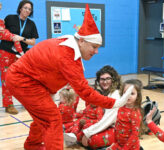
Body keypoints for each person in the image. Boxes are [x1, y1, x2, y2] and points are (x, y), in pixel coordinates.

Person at [5, 4, 133, 150]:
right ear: (82, 41)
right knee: (52, 119)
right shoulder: (68, 56)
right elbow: (85, 92)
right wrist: (114, 103)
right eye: (94, 47)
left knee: (43, 116)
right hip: (23, 81)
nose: (97, 51)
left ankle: (32, 145)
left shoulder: (67, 45)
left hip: (31, 80)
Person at [65, 65, 122, 149]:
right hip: (104, 125)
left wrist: (87, 133)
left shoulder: (115, 96)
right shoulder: (105, 93)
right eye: (102, 79)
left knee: (91, 139)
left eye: (108, 79)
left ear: (113, 80)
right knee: (80, 125)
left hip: (115, 129)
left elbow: (106, 121)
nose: (105, 82)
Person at [0, 0, 39, 114]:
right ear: (20, 8)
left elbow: (33, 42)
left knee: (23, 79)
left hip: (21, 54)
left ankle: (25, 101)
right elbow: (2, 32)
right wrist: (13, 37)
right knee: (6, 79)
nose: (27, 10)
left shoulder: (31, 24)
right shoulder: (10, 18)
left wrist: (22, 39)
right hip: (6, 52)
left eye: (29, 9)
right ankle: (9, 105)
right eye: (25, 8)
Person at [106, 79, 143, 150]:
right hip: (119, 145)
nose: (128, 96)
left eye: (132, 93)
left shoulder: (135, 113)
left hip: (131, 148)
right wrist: (114, 143)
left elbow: (135, 135)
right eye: (125, 93)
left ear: (137, 96)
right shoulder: (121, 108)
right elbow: (117, 126)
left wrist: (125, 148)